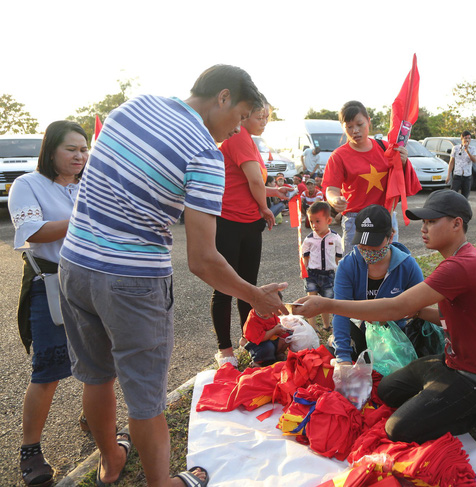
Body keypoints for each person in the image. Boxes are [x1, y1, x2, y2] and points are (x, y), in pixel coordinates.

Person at [58, 64, 289, 487]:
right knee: (146, 397)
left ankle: (110, 461)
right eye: (239, 118)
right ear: (223, 97)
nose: (237, 130)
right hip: (133, 280)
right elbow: (202, 259)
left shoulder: (133, 106)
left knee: (96, 375)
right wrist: (254, 295)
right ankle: (162, 483)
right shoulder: (204, 152)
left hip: (75, 263)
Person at [296, 191, 476, 450]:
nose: (424, 229)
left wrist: (327, 304)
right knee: (388, 390)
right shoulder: (457, 262)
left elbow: (396, 307)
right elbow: (443, 315)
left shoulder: (459, 266)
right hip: (454, 361)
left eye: (432, 222)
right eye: (423, 222)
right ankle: (441, 399)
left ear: (457, 224)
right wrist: (418, 312)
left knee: (398, 429)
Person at [9, 121, 89, 487]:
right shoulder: (28, 184)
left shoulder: (88, 185)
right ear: (51, 150)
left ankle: (95, 419)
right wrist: (82, 220)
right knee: (48, 371)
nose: (79, 156)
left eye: (84, 149)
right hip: (49, 283)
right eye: (71, 149)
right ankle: (30, 449)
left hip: (90, 282)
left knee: (98, 362)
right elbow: (34, 232)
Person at [211, 97, 291, 368]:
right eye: (260, 116)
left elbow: (248, 182)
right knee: (224, 289)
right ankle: (225, 351)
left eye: (268, 117)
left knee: (248, 289)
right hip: (229, 222)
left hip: (248, 223)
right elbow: (254, 180)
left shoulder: (250, 141)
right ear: (243, 116)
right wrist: (265, 207)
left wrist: (271, 192)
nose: (265, 122)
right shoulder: (238, 138)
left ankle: (250, 340)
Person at [325, 204, 424, 364]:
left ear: (391, 236)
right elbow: (340, 311)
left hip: (396, 338)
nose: (368, 250)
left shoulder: (408, 266)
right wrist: (343, 357)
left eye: (374, 244)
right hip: (362, 334)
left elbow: (421, 307)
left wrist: (393, 315)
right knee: (334, 348)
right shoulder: (347, 265)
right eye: (362, 245)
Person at [322, 100, 418, 255]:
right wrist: (334, 200)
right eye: (349, 127)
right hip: (355, 220)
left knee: (388, 265)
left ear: (369, 121)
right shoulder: (339, 156)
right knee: (355, 267)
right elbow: (331, 189)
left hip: (385, 216)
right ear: (343, 127)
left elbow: (404, 181)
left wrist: (404, 161)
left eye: (360, 124)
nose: (355, 131)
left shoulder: (387, 148)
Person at [300, 201, 343, 332]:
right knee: (311, 300)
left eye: (317, 221)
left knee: (327, 301)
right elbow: (305, 257)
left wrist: (338, 271)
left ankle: (326, 326)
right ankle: (312, 328)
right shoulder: (309, 240)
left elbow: (338, 257)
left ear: (329, 220)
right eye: (311, 222)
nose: (314, 225)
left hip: (329, 275)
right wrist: (304, 270)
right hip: (312, 273)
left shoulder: (335, 238)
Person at [446, 131, 476, 199]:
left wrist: (467, 151)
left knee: (465, 197)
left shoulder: (472, 149)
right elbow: (451, 162)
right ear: (462, 139)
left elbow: (474, 160)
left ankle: (462, 209)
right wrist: (448, 175)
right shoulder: (456, 148)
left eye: (469, 138)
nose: (467, 140)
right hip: (457, 175)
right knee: (453, 195)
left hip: (467, 176)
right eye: (465, 138)